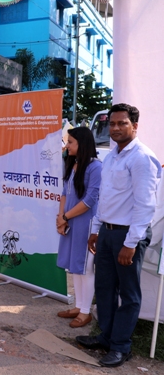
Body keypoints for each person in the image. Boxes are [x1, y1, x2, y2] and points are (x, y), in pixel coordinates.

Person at [76, 103, 161, 368]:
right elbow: (104, 198)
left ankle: (122, 347)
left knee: (129, 293)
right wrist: (95, 230)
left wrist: (131, 243)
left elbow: (145, 205)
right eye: (111, 124)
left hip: (128, 236)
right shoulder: (112, 156)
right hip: (106, 232)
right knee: (104, 288)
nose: (115, 128)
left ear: (135, 126)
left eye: (121, 123)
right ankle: (107, 337)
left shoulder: (142, 158)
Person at [55, 127, 102, 328]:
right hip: (71, 221)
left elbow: (90, 200)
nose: (67, 146)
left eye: (71, 142)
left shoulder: (96, 167)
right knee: (75, 266)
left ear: (82, 144)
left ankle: (85, 312)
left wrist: (65, 216)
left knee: (86, 268)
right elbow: (64, 193)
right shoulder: (73, 164)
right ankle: (79, 306)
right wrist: (60, 218)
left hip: (87, 224)